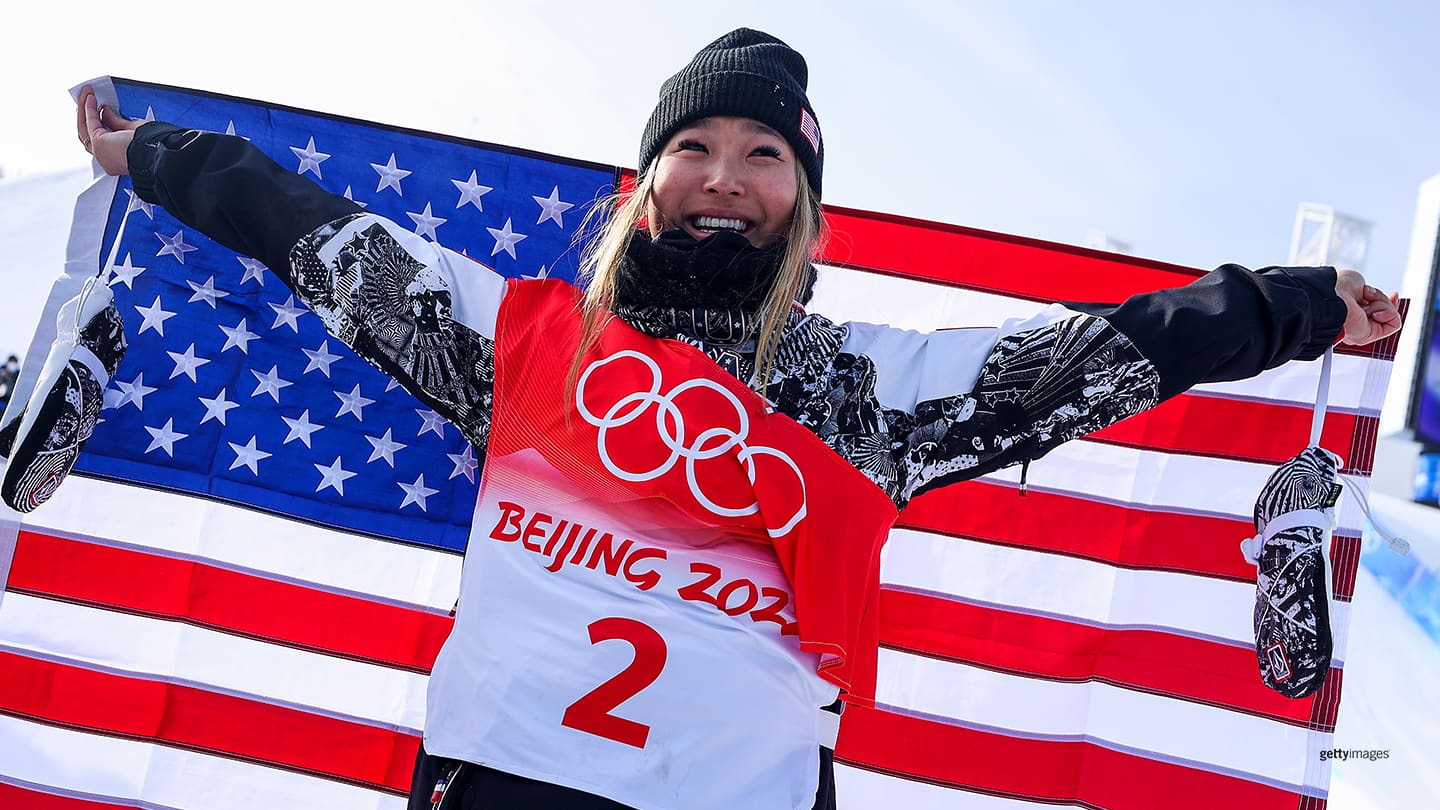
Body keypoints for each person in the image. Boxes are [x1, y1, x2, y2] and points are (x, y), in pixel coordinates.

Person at [76, 28, 1400, 810]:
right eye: (695, 148)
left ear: (805, 205)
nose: (727, 176)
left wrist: (1294, 305)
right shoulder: (527, 339)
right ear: (646, 187)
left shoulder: (868, 394)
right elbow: (318, 240)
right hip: (499, 785)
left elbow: (1101, 354)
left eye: (765, 155)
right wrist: (156, 153)